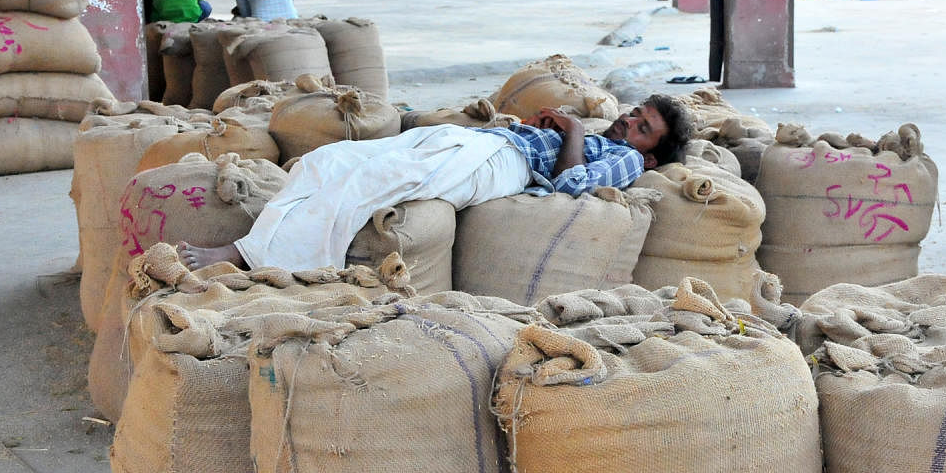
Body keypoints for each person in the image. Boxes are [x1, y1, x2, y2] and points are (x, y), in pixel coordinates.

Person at [177, 96, 691, 273]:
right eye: (635, 113)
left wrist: (573, 131)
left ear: (651, 153)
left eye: (643, 127)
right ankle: (272, 244)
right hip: (484, 141)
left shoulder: (627, 162)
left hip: (497, 162)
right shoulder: (610, 137)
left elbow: (572, 185)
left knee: (377, 180)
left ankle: (246, 256)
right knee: (328, 159)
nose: (629, 122)